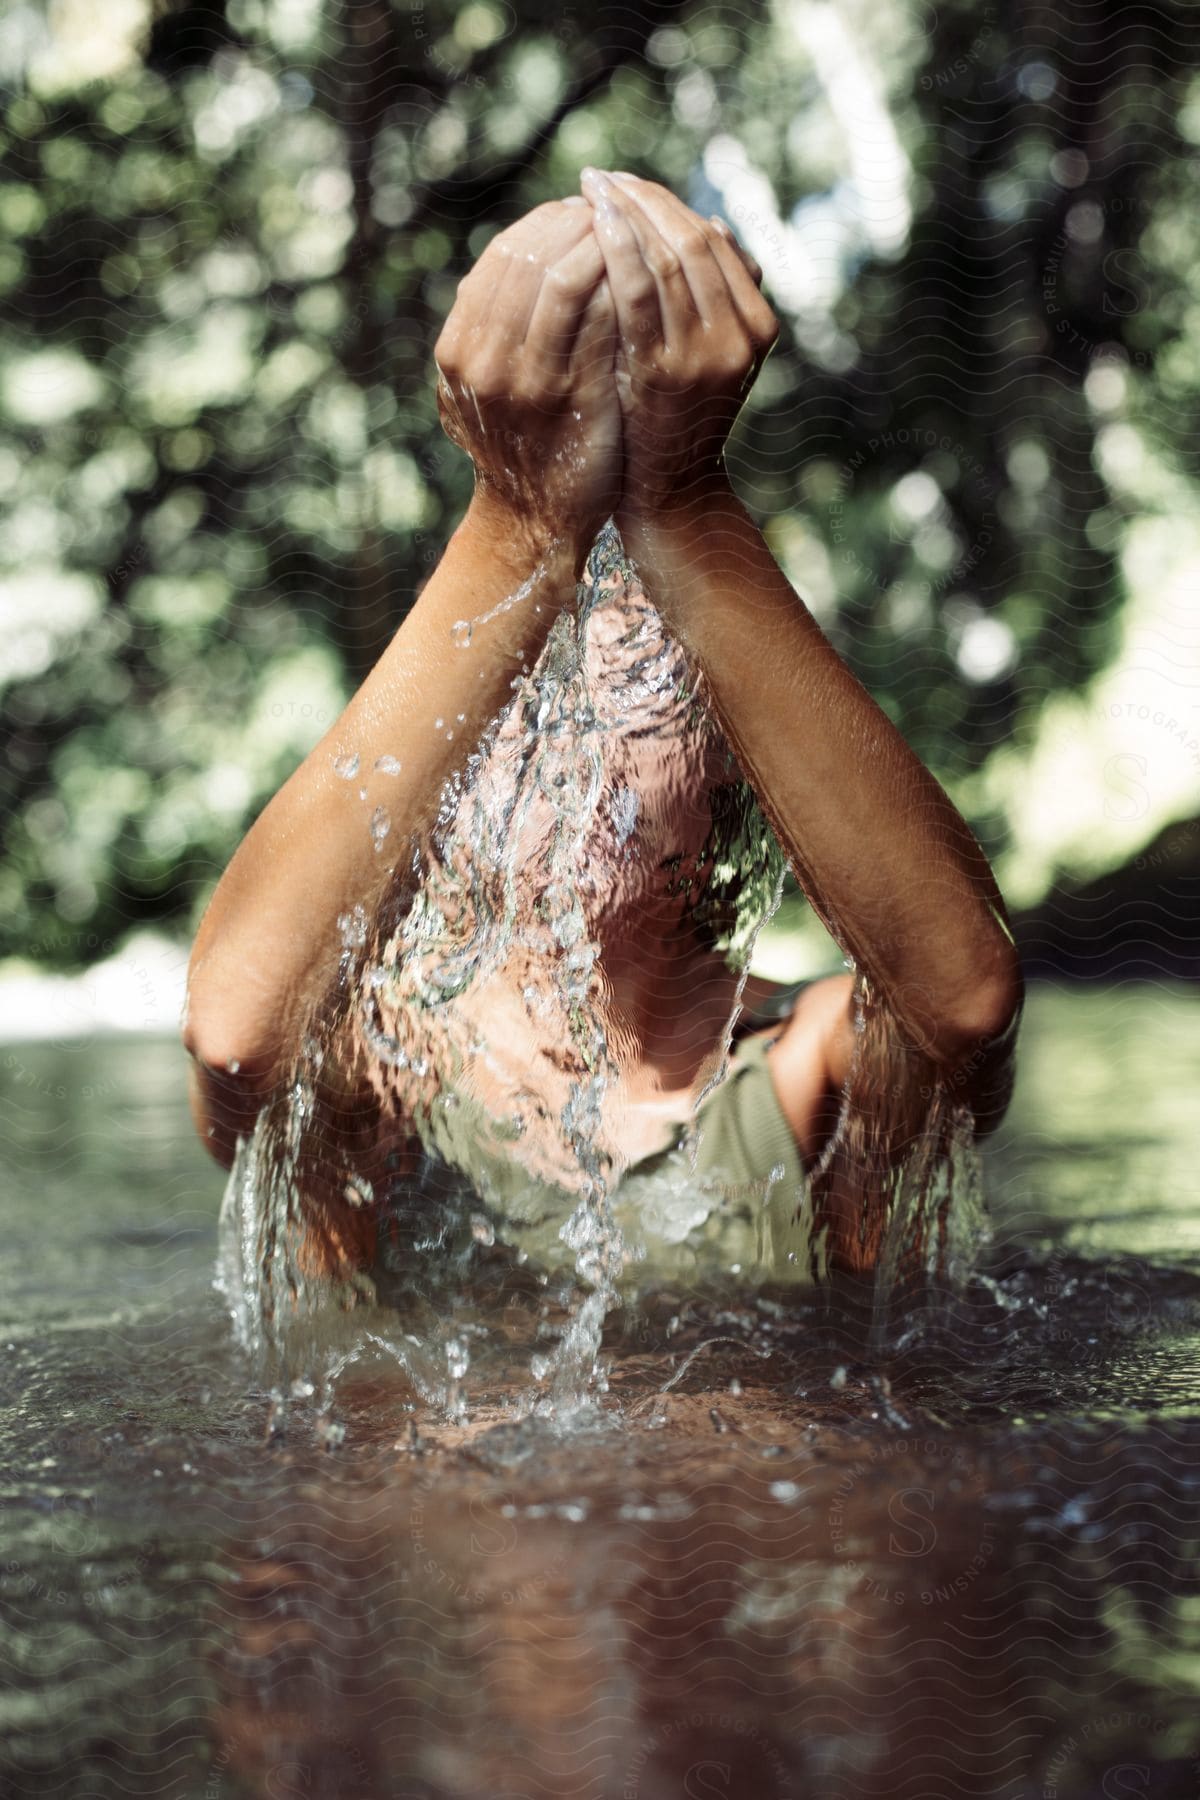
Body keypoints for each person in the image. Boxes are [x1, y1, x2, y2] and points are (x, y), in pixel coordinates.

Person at [183, 170, 1024, 1290]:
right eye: (516, 682)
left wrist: (685, 507)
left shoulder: (806, 1069)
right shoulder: (384, 1074)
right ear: (447, 789)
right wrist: (516, 527)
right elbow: (235, 1036)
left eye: (629, 672)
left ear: (738, 766)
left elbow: (964, 1007)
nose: (556, 731)